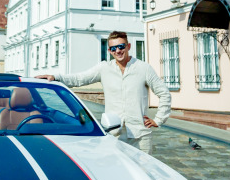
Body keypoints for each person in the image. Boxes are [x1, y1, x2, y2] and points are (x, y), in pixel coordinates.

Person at [37, 30, 171, 153]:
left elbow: (164, 93)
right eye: (113, 48)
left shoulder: (143, 68)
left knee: (144, 174)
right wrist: (56, 77)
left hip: (140, 137)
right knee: (115, 174)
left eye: (121, 46)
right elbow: (79, 79)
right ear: (109, 50)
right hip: (114, 136)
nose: (118, 51)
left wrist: (159, 120)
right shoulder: (104, 68)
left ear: (128, 46)